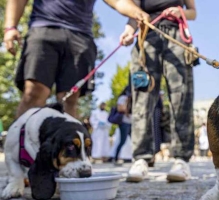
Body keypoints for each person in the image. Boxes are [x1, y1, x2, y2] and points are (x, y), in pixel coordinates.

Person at [4, 0, 149, 118]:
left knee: (70, 99)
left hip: (80, 37)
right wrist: (10, 27)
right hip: (43, 29)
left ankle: (67, 151)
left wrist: (137, 13)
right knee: (34, 93)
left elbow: (118, 1)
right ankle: (21, 149)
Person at [120, 0, 196, 183]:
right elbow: (133, 12)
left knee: (181, 96)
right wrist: (129, 31)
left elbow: (193, 12)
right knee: (141, 98)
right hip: (146, 36)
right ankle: (141, 159)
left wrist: (181, 13)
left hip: (175, 37)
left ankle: (181, 160)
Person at [114, 86, 132, 164]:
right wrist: (127, 108)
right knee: (122, 141)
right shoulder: (123, 98)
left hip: (132, 121)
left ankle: (132, 156)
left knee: (133, 141)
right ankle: (115, 157)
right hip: (124, 122)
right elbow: (120, 108)